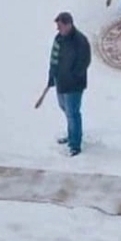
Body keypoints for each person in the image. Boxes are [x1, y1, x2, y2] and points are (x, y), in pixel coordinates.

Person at [45, 12, 91, 156]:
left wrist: (73, 75)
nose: (58, 29)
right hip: (61, 82)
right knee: (65, 108)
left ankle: (75, 144)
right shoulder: (59, 39)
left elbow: (85, 61)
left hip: (74, 85)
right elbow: (54, 58)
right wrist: (52, 76)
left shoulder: (80, 41)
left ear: (68, 24)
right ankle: (71, 134)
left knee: (73, 113)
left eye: (60, 26)